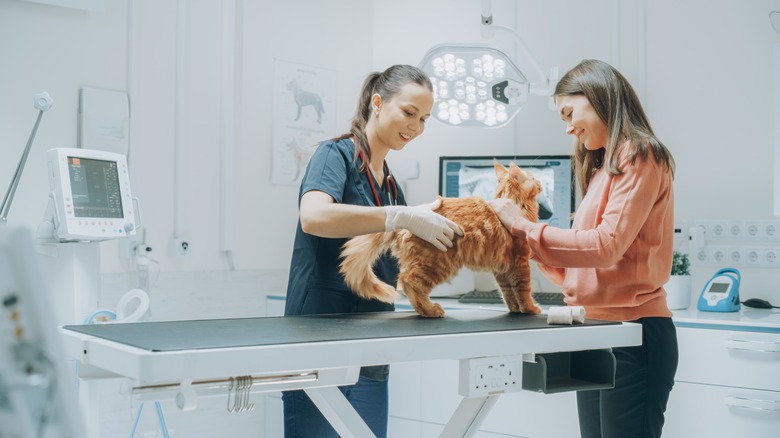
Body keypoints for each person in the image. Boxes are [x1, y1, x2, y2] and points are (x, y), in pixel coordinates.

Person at [489, 59, 679, 438]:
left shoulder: (640, 153)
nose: (568, 127)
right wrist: (520, 245)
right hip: (596, 331)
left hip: (634, 332)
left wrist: (525, 228)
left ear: (597, 96)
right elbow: (581, 267)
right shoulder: (600, 170)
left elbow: (605, 247)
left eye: (569, 112)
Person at [282, 64, 463, 438]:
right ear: (377, 103)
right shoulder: (335, 156)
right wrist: (399, 216)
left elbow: (398, 246)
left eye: (425, 119)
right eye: (409, 113)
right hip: (321, 335)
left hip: (372, 342)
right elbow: (313, 216)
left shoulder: (391, 184)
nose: (416, 127)